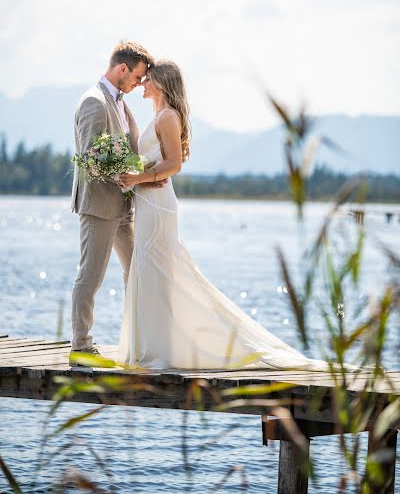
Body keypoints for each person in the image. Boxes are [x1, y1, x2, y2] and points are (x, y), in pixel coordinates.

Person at [118, 59, 328, 371]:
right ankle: (153, 345)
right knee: (150, 272)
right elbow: (158, 161)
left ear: (161, 83)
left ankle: (174, 347)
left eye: (147, 80)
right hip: (148, 201)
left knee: (159, 270)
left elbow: (174, 165)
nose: (143, 85)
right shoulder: (159, 115)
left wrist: (137, 178)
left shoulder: (168, 117)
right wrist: (139, 174)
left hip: (158, 203)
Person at [70, 40, 157, 364]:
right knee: (90, 275)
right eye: (137, 77)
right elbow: (90, 157)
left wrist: (144, 174)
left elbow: (126, 149)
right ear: (122, 69)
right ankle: (80, 346)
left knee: (137, 270)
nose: (138, 85)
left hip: (123, 207)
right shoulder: (94, 101)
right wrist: (126, 175)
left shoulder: (120, 102)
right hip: (99, 206)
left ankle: (135, 340)